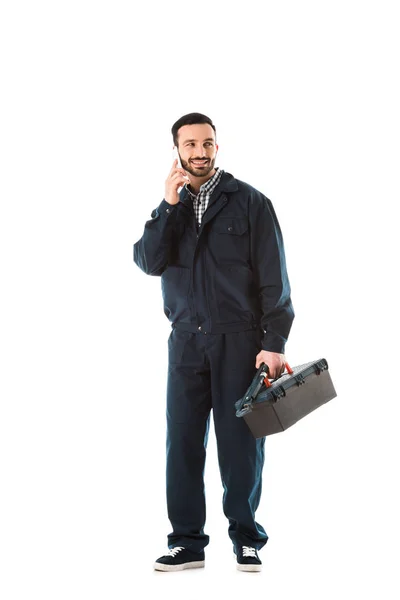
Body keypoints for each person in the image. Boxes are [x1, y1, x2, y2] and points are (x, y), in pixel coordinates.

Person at [133, 113, 294, 572]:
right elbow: (147, 261)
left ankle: (247, 538)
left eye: (207, 143)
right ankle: (186, 542)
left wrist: (273, 341)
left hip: (239, 343)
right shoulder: (172, 207)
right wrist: (167, 205)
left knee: (240, 444)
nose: (199, 152)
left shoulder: (250, 203)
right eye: (190, 145)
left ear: (217, 147)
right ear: (177, 151)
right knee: (182, 442)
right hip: (185, 343)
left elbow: (274, 281)